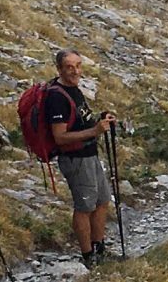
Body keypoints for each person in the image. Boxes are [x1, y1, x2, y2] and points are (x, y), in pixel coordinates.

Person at [41, 49, 118, 266]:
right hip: (75, 158)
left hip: (89, 153)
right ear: (59, 69)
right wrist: (95, 131)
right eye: (69, 67)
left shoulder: (73, 89)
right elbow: (60, 136)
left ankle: (99, 248)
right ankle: (88, 257)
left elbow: (80, 120)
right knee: (84, 207)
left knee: (102, 201)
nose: (76, 71)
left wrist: (100, 120)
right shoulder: (57, 97)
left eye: (78, 65)